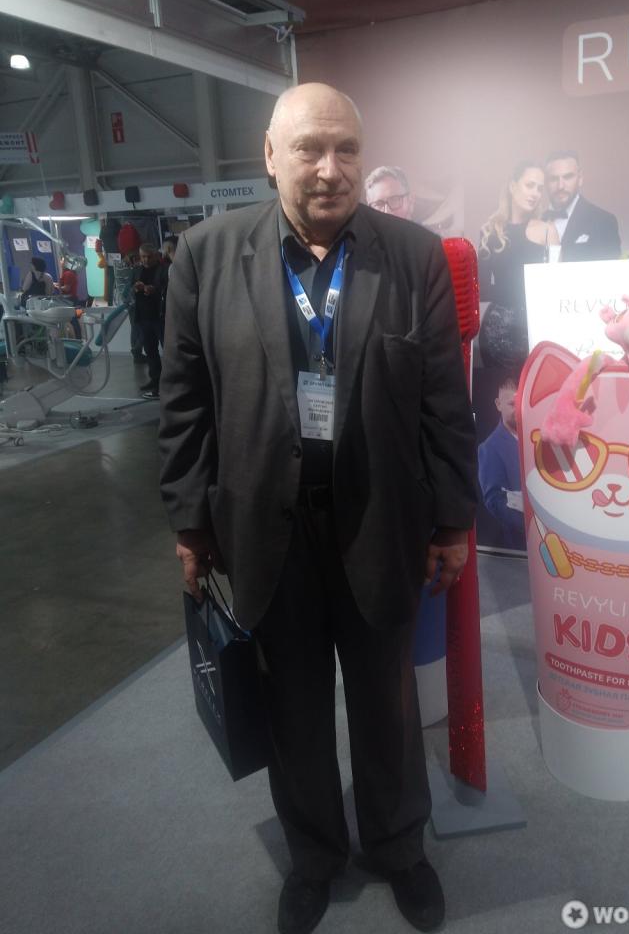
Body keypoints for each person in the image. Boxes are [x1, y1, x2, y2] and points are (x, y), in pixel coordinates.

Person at [158, 83, 476, 934]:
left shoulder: (413, 256)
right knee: (292, 708)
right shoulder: (206, 255)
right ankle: (314, 857)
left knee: (386, 706)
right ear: (270, 155)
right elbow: (184, 403)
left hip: (381, 522)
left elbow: (444, 402)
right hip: (265, 530)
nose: (330, 169)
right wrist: (190, 523)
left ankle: (399, 848)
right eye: (309, 148)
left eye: (346, 149)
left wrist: (454, 520)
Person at [477, 161, 558, 370]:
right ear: (513, 186)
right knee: (500, 390)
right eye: (530, 185)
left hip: (536, 331)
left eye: (540, 188)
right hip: (496, 333)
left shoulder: (548, 231)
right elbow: (481, 289)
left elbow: (556, 288)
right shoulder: (489, 232)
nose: (535, 193)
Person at [544, 150, 621, 260]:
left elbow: (610, 269)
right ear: (545, 182)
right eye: (553, 179)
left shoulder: (604, 222)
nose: (560, 186)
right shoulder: (534, 222)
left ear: (580, 179)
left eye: (568, 177)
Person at [477, 375, 525, 551]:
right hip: (519, 546)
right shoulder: (489, 448)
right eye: (512, 404)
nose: (517, 409)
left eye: (521, 403)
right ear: (498, 404)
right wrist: (533, 526)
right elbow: (495, 502)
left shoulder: (536, 438)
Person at [132, 243, 166, 399]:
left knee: (168, 351)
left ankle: (170, 383)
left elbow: (168, 289)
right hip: (143, 317)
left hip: (160, 317)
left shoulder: (164, 270)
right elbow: (129, 289)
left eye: (149, 256)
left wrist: (154, 290)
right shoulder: (137, 270)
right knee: (150, 351)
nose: (145, 259)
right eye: (143, 256)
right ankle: (155, 380)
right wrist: (136, 288)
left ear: (156, 256)